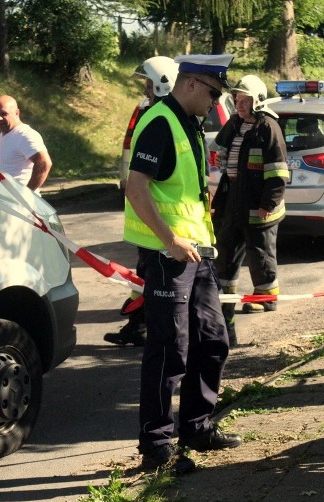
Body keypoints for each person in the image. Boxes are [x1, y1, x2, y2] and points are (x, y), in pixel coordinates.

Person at [124, 53, 242, 473]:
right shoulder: (160, 122)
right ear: (191, 83)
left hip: (196, 253)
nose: (216, 102)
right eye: (213, 93)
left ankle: (197, 426)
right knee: (169, 349)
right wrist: (169, 239)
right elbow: (135, 187)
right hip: (167, 256)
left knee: (213, 339)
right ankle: (156, 445)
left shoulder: (188, 122)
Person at [105, 56, 179, 348]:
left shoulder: (162, 120)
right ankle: (138, 327)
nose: (145, 90)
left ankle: (148, 331)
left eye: (149, 84)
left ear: (162, 85)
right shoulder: (153, 114)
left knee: (155, 282)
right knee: (143, 277)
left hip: (162, 226)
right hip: (150, 225)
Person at [210, 75, 288, 347]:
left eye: (244, 100)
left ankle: (264, 298)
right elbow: (217, 148)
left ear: (257, 101)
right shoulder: (234, 123)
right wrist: (220, 156)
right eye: (236, 100)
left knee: (260, 253)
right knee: (226, 253)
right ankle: (225, 304)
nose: (239, 105)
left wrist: (269, 203)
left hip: (258, 205)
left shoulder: (268, 127)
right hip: (233, 201)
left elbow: (278, 171)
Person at [0, 95, 52, 193]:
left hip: (19, 205)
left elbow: (44, 163)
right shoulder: (5, 134)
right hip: (4, 202)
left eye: (4, 114)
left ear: (17, 113)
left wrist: (27, 193)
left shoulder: (25, 135)